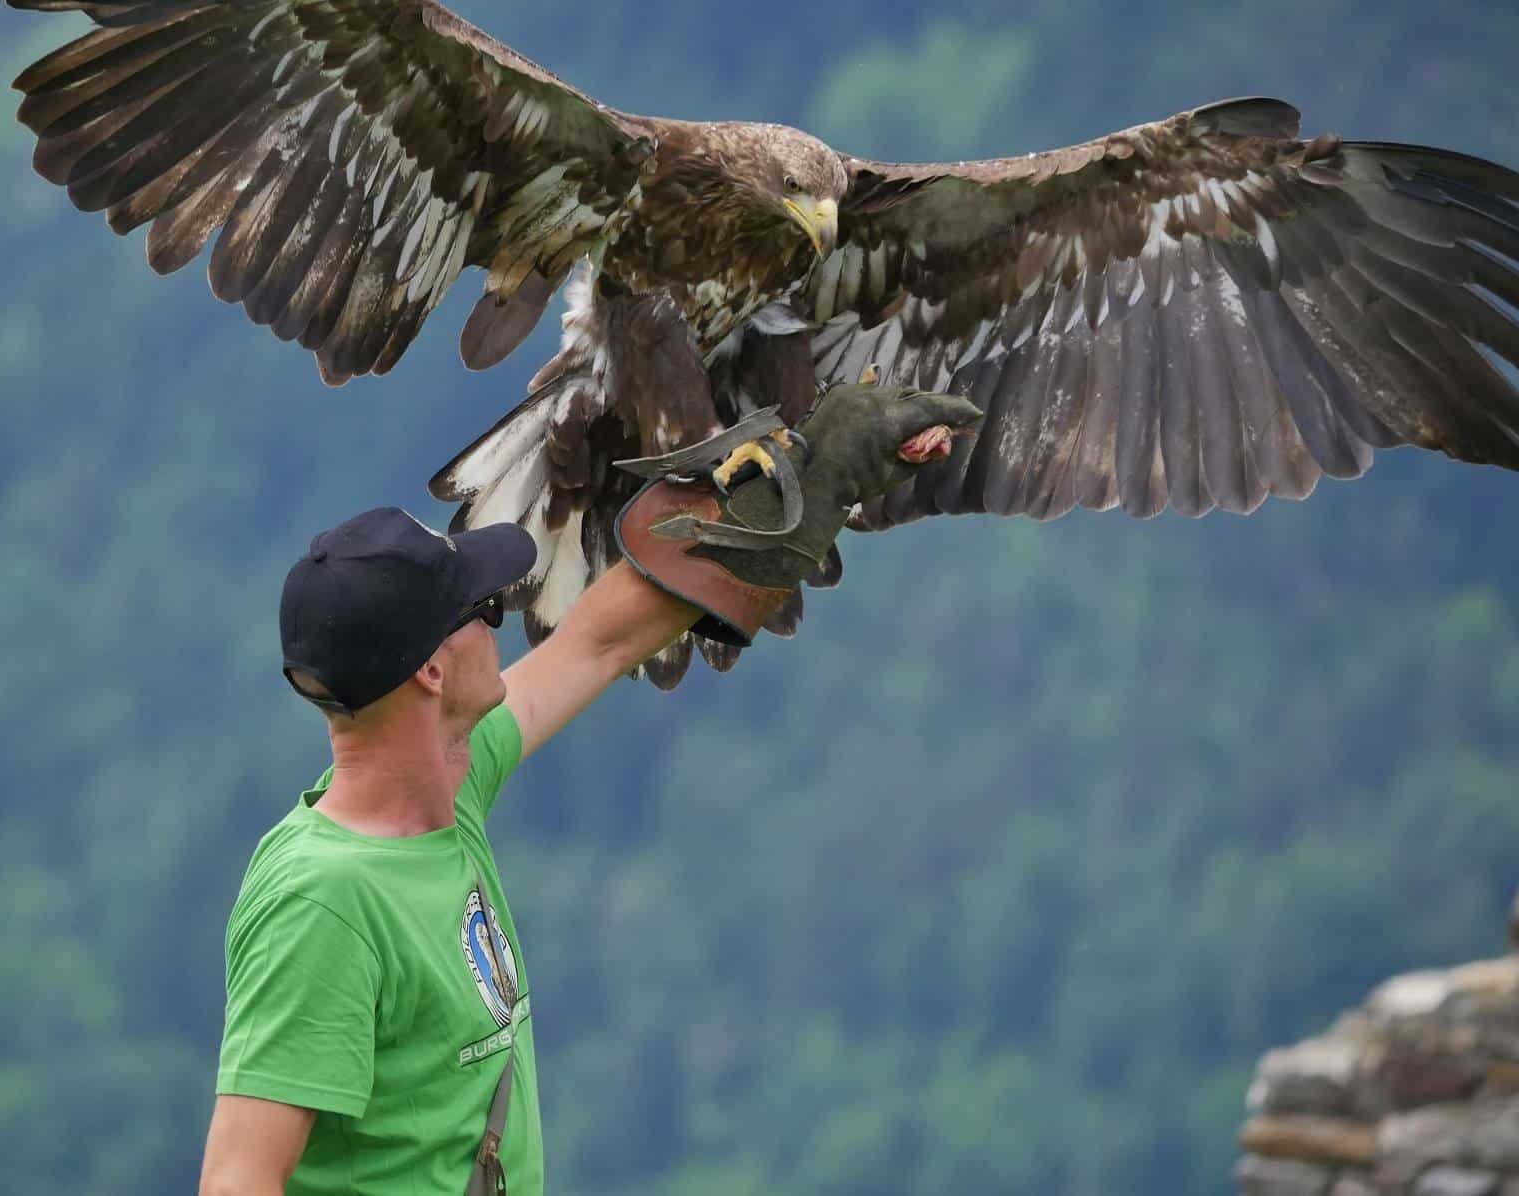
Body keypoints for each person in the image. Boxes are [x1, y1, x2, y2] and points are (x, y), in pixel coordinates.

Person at [195, 386, 978, 1196]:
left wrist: (819, 475)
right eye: (484, 608)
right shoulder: (323, 904)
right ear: (429, 670)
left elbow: (598, 643)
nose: (504, 619)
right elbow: (236, 1180)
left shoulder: (446, 784)